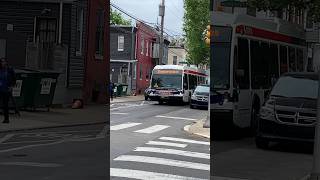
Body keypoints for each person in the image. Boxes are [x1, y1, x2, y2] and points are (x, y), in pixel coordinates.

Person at [0, 58, 16, 123]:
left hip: (6, 89)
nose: (2, 63)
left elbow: (14, 79)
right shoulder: (0, 69)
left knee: (5, 104)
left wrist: (12, 86)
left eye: (3, 62)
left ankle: (6, 119)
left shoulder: (9, 70)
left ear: (6, 62)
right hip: (0, 88)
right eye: (1, 62)